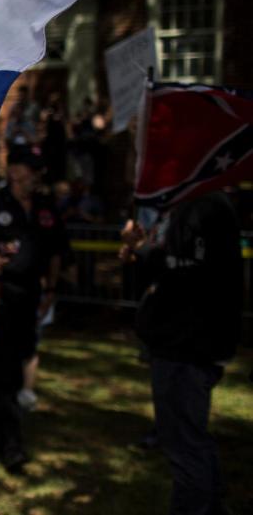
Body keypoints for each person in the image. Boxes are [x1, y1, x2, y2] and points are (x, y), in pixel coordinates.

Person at [123, 193, 242, 515]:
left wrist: (145, 251)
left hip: (189, 347)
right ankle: (212, 506)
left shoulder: (205, 208)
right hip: (178, 344)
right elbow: (168, 268)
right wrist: (141, 253)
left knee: (184, 442)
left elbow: (192, 275)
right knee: (188, 438)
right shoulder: (182, 208)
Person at [0, 147, 68, 473]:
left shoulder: (45, 209)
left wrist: (50, 288)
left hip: (31, 298)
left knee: (19, 364)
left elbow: (55, 251)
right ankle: (10, 442)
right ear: (13, 170)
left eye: (35, 170)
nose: (29, 175)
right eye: (24, 168)